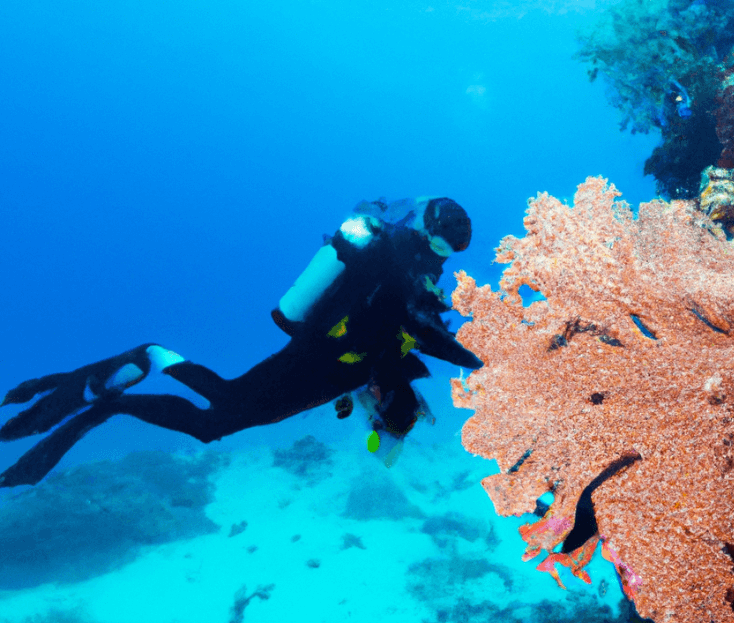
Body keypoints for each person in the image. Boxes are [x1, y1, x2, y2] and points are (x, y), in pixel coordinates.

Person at [0, 197, 482, 487]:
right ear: (425, 229)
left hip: (339, 370)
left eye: (450, 252)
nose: (442, 257)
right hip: (316, 358)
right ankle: (147, 363)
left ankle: (146, 367)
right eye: (441, 245)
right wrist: (479, 361)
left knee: (221, 415)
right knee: (220, 415)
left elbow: (406, 336)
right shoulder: (391, 258)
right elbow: (414, 327)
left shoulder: (415, 271)